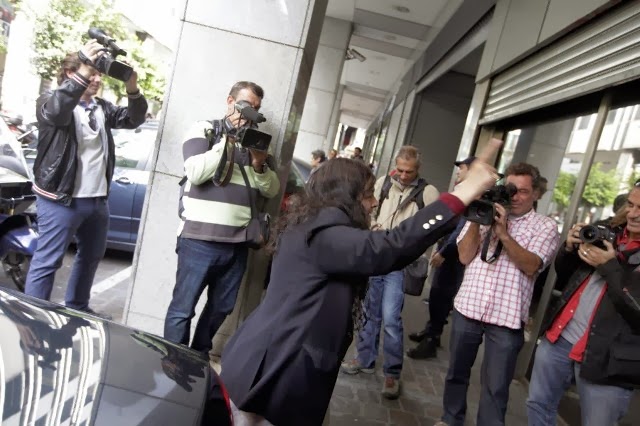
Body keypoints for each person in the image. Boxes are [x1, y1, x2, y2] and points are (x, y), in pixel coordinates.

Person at [220, 139, 503, 426]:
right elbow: (393, 246)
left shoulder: (313, 222)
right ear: (346, 197)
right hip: (276, 371)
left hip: (273, 361)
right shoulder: (324, 235)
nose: (374, 202)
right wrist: (464, 192)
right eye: (368, 195)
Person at [25, 40, 147, 319]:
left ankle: (77, 307)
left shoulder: (101, 107)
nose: (96, 79)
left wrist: (132, 86)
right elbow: (56, 112)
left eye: (98, 74)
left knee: (91, 256)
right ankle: (32, 318)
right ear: (71, 73)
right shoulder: (49, 102)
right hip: (61, 200)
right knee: (48, 261)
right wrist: (85, 66)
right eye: (91, 73)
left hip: (97, 200)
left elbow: (133, 119)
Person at [437, 162, 560, 426]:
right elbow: (464, 256)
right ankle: (450, 419)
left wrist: (503, 233)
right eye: (510, 189)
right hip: (469, 307)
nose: (514, 197)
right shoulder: (484, 212)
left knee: (496, 388)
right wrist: (477, 220)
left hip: (507, 318)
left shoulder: (545, 226)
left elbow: (531, 266)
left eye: (523, 191)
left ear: (536, 193)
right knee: (456, 373)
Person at [163, 81, 280, 354]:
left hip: (238, 243)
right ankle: (173, 361)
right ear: (230, 101)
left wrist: (259, 164)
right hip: (199, 240)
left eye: (256, 109)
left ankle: (198, 356)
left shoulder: (257, 143)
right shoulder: (206, 130)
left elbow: (271, 189)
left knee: (222, 307)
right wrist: (228, 141)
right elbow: (195, 173)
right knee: (183, 308)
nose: (250, 114)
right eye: (246, 106)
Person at [526, 181, 640, 426]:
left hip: (608, 359)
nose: (633, 214)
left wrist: (610, 266)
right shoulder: (609, 230)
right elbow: (565, 274)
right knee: (538, 404)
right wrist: (569, 248)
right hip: (561, 337)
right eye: (631, 205)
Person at [340, 145, 439, 399]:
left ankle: (392, 373)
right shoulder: (383, 182)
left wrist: (421, 250)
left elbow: (435, 227)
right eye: (400, 170)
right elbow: (368, 210)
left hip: (400, 264)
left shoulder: (428, 192)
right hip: (377, 255)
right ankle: (365, 359)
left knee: (391, 318)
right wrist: (374, 228)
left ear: (418, 169)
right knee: (369, 313)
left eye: (409, 171)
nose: (403, 176)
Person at [406, 156, 474, 359]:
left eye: (463, 168)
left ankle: (431, 340)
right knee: (437, 295)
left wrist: (444, 252)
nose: (459, 171)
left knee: (441, 296)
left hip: (453, 255)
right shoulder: (464, 190)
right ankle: (430, 331)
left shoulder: (472, 194)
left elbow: (461, 228)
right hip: (449, 251)